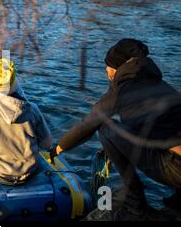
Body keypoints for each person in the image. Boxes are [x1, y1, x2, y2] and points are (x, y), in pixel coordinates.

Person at [52, 39, 181, 217]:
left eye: (108, 68)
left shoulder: (121, 90)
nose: (106, 72)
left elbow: (87, 125)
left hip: (174, 168)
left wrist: (59, 148)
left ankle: (134, 201)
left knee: (106, 128)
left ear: (116, 68)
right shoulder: (162, 86)